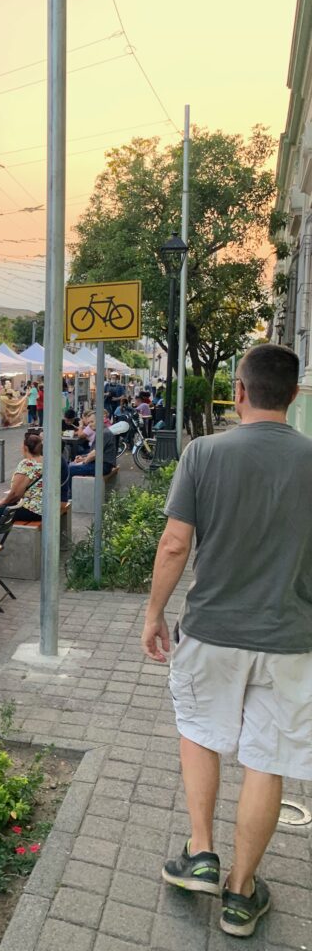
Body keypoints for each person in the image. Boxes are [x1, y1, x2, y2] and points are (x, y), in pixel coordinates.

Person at [141, 344, 312, 939]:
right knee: (268, 759)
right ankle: (241, 894)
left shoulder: (203, 453)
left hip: (211, 631)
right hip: (291, 637)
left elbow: (173, 544)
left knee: (199, 731)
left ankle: (202, 853)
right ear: (294, 395)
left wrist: (154, 614)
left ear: (238, 390)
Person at [0, 432, 49, 525]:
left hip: (34, 510)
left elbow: (16, 494)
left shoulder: (27, 464)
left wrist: (1, 502)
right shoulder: (46, 460)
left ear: (25, 448)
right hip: (47, 506)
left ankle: (5, 538)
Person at [65, 418, 117, 497]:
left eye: (92, 421)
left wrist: (84, 462)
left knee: (70, 469)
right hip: (101, 464)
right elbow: (94, 453)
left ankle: (71, 496)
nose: (90, 424)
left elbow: (94, 454)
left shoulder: (103, 433)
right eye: (89, 422)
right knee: (70, 465)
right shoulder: (103, 432)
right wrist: (82, 457)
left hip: (103, 466)